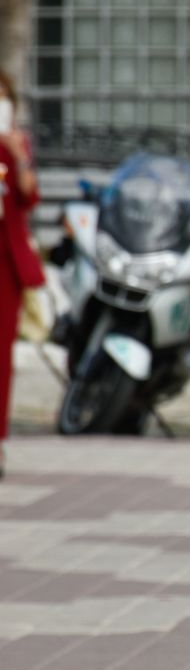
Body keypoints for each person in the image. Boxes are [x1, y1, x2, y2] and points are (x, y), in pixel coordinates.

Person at [0, 71, 43, 479]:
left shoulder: (17, 146)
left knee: (1, 356)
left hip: (6, 264)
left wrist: (17, 155)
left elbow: (29, 196)